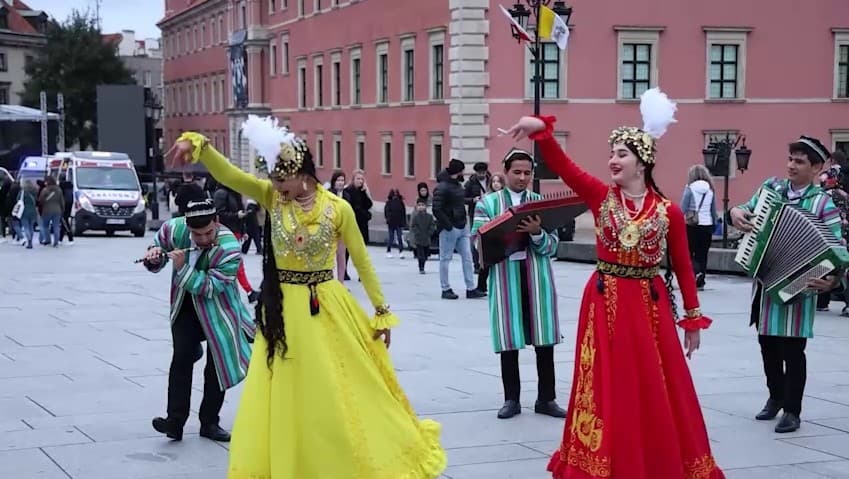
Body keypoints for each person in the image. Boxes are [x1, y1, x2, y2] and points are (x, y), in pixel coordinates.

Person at [167, 117, 447, 479]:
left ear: (304, 175)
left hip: (326, 304)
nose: (278, 190)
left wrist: (381, 310)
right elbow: (232, 177)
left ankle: (337, 455)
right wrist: (201, 146)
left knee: (335, 386)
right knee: (287, 390)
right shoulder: (272, 199)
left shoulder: (338, 208)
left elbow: (362, 260)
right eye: (274, 183)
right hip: (283, 309)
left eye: (283, 183)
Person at [503, 88, 724, 478]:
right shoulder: (601, 197)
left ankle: (654, 457)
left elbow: (684, 266)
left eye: (622, 154)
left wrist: (692, 319)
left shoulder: (668, 211)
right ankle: (603, 461)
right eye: (612, 153)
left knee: (653, 383)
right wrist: (542, 131)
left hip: (648, 304)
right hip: (604, 301)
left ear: (642, 162)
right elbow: (565, 166)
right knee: (606, 384)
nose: (613, 160)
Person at [729, 135, 841, 434]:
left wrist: (831, 279)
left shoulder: (822, 203)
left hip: (801, 283)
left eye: (799, 162)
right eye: (790, 159)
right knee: (767, 346)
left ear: (816, 168)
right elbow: (743, 209)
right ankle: (775, 397)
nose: (791, 166)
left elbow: (837, 249)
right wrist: (735, 213)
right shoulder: (771, 189)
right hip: (767, 281)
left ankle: (793, 409)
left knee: (793, 351)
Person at [141, 198, 254, 443]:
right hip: (186, 307)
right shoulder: (175, 228)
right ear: (187, 226)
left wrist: (182, 269)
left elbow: (211, 287)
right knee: (181, 358)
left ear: (217, 222)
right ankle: (174, 421)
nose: (203, 239)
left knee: (217, 366)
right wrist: (154, 256)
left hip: (219, 311)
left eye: (207, 232)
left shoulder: (229, 247)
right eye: (196, 234)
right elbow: (158, 245)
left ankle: (210, 422)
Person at [471, 148, 565, 420]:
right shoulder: (487, 204)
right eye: (517, 172)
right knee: (508, 339)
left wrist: (536, 234)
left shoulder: (539, 202)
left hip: (537, 277)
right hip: (505, 278)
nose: (522, 177)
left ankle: (546, 398)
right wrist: (504, 237)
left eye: (527, 172)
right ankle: (511, 399)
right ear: (505, 171)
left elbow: (553, 246)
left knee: (544, 340)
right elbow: (479, 241)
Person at [432, 159, 486, 300]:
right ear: (458, 172)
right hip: (449, 227)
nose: (463, 173)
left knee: (467, 257)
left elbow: (459, 201)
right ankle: (445, 288)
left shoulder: (457, 185)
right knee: (445, 258)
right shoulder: (442, 187)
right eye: (462, 170)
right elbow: (436, 209)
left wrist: (472, 200)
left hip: (462, 225)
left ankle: (470, 288)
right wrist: (448, 225)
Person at [214, 183, 259, 303]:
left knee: (235, 263)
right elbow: (220, 214)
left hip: (235, 232)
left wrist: (243, 230)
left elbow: (239, 212)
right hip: (227, 232)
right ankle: (248, 291)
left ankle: (246, 292)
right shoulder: (222, 194)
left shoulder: (233, 193)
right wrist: (236, 216)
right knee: (236, 264)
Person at [681, 165, 718, 290]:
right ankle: (701, 281)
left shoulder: (689, 188)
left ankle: (696, 273)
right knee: (702, 255)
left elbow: (682, 208)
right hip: (707, 226)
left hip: (692, 225)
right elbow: (713, 211)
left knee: (689, 253)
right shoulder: (710, 190)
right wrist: (714, 225)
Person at [410, 198, 436, 274]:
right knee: (420, 255)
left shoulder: (429, 217)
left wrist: (430, 232)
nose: (421, 207)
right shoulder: (416, 217)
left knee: (425, 254)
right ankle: (421, 268)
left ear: (425, 206)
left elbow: (432, 225)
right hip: (418, 239)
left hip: (427, 238)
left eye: (422, 205)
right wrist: (417, 233)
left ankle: (423, 264)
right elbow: (413, 226)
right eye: (419, 205)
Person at [38, 176, 64, 248]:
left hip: (46, 210)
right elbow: (62, 201)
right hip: (57, 210)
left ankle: (48, 240)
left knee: (45, 226)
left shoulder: (45, 190)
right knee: (56, 226)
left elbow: (40, 200)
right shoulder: (59, 190)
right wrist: (62, 209)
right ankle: (56, 242)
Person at [384, 188, 407, 258]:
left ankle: (401, 251)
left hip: (399, 222)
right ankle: (388, 251)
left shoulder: (401, 202)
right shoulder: (388, 202)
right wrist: (388, 219)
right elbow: (386, 212)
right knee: (391, 237)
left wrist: (404, 222)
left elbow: (403, 213)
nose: (395, 196)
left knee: (400, 237)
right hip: (391, 223)